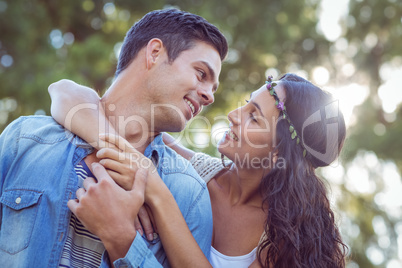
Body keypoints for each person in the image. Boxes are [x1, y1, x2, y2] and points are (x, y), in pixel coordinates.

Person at [0, 8, 228, 267]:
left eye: (213, 87)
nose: (210, 95)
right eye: (201, 74)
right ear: (154, 53)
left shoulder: (187, 191)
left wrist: (123, 239)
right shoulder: (24, 139)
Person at [51, 73, 348, 267]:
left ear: (279, 152)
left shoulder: (287, 234)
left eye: (254, 118)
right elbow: (65, 93)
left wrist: (154, 190)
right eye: (246, 105)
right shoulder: (199, 172)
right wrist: (116, 152)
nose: (233, 115)